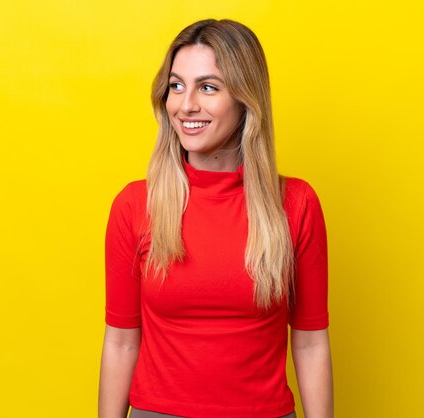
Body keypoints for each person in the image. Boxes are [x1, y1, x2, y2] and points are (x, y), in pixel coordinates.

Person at [98, 19, 333, 418]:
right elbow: (121, 341)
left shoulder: (295, 204)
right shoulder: (135, 205)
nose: (186, 104)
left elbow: (310, 343)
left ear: (246, 100)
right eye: (176, 85)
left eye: (208, 87)